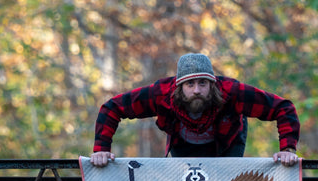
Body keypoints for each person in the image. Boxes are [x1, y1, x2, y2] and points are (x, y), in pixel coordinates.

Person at [89, 53, 300, 168]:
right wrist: (101, 150)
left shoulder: (232, 92)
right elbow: (112, 108)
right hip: (184, 146)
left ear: (212, 85)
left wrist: (287, 149)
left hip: (227, 144)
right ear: (179, 87)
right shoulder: (160, 95)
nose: (197, 90)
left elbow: (283, 108)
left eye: (202, 84)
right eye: (190, 85)